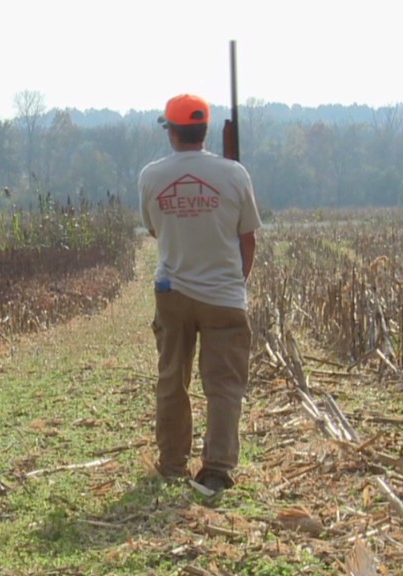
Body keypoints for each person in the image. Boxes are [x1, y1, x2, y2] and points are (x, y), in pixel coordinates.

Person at [138, 93, 261, 493]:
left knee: (173, 379)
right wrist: (234, 284)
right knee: (224, 385)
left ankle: (173, 464)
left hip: (171, 293)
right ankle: (217, 470)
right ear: (205, 130)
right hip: (224, 295)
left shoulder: (151, 177)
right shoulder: (236, 175)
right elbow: (248, 240)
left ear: (171, 132)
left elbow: (156, 230)